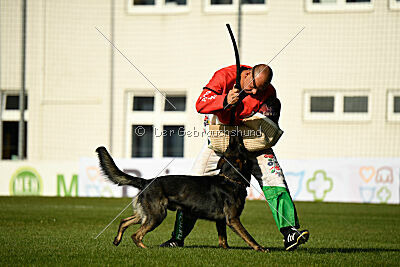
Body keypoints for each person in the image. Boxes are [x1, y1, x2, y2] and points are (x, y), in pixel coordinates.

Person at [160, 64, 309, 251]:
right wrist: (224, 100)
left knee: (275, 180)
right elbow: (201, 104)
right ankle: (177, 238)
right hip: (221, 143)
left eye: (259, 89)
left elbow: (269, 119)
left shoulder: (268, 92)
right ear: (247, 74)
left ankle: (290, 232)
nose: (255, 91)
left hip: (252, 142)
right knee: (193, 184)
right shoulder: (223, 77)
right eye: (253, 86)